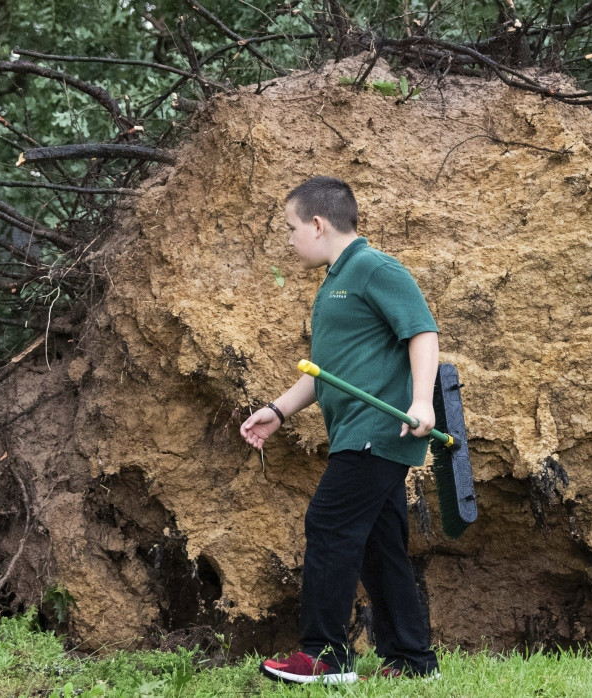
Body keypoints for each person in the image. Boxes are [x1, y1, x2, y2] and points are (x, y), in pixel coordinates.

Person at [240, 176, 441, 684]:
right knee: (378, 543)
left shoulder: (374, 268)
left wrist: (421, 402)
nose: (289, 240)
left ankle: (325, 657)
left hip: (378, 431)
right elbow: (330, 369)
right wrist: (279, 411)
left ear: (317, 223)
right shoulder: (336, 279)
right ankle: (414, 662)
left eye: (291, 228)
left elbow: (422, 331)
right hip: (358, 430)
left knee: (329, 526)